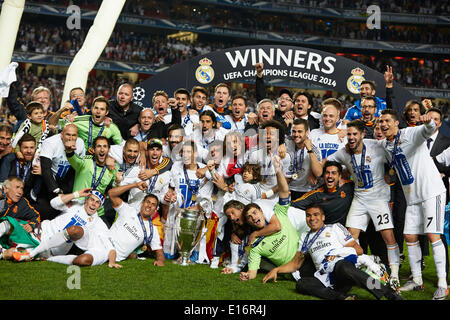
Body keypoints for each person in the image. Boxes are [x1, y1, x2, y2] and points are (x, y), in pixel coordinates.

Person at [262, 204, 402, 301]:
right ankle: (342, 298)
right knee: (302, 284)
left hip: (342, 269)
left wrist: (337, 253)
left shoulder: (334, 228)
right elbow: (295, 264)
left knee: (343, 267)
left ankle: (388, 294)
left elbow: (358, 249)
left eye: (316, 215)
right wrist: (277, 269)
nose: (312, 218)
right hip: (326, 277)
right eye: (309, 215)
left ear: (323, 217)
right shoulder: (305, 237)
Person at [379, 109, 448, 300]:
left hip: (431, 191)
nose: (383, 125)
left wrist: (428, 122)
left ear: (395, 123)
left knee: (434, 236)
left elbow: (428, 129)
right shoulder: (385, 144)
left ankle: (443, 284)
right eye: (381, 122)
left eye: (386, 121)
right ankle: (417, 280)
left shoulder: (410, 133)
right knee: (409, 236)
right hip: (413, 197)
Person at [327, 119, 401, 290]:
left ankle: (395, 274)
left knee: (388, 237)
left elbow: (395, 155)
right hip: (359, 200)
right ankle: (356, 271)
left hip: (378, 200)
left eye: (354, 134)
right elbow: (327, 162)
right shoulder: (343, 152)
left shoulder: (377, 146)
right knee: (351, 239)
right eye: (349, 134)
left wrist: (390, 175)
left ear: (362, 134)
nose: (351, 138)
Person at [12, 189, 120, 268]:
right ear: (86, 200)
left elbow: (109, 245)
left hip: (52, 249)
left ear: (99, 206)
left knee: (12, 253)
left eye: (97, 202)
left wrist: (112, 261)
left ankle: (34, 254)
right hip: (40, 231)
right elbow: (53, 203)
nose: (93, 204)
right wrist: (76, 194)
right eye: (92, 200)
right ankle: (28, 253)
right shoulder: (74, 205)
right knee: (9, 227)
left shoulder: (98, 223)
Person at [239, 155, 301, 282]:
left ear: (262, 212)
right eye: (249, 217)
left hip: (305, 256)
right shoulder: (255, 246)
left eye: (255, 213)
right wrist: (248, 276)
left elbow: (284, 190)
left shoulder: (278, 213)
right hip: (293, 269)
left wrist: (278, 170)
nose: (254, 217)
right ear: (249, 223)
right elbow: (252, 272)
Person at [108, 181, 165, 265]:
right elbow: (111, 193)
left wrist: (160, 260)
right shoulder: (128, 210)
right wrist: (134, 185)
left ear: (155, 210)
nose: (149, 205)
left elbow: (159, 251)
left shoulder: (152, 230)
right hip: (105, 244)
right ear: (142, 203)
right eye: (148, 202)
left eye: (153, 204)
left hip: (117, 257)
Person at [66, 135, 117, 220]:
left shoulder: (112, 169)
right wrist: (69, 151)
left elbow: (115, 189)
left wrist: (118, 181)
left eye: (105, 146)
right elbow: (74, 159)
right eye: (99, 146)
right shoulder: (85, 162)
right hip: (77, 207)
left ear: (109, 150)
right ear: (93, 149)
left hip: (96, 213)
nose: (102, 149)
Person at [291, 160, 354, 226]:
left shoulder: (349, 186)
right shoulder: (317, 194)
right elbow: (294, 204)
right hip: (326, 231)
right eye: (327, 173)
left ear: (340, 176)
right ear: (323, 175)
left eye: (333, 173)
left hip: (345, 231)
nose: (330, 176)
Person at [285, 119, 322, 200]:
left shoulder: (313, 147)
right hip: (288, 188)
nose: (296, 134)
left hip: (306, 190)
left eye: (299, 131)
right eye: (294, 131)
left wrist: (309, 150)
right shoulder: (287, 141)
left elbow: (318, 173)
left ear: (307, 132)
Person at [0, 133, 42, 202]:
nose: (29, 151)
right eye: (25, 147)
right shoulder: (9, 160)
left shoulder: (37, 164)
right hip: (6, 199)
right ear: (19, 148)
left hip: (26, 201)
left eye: (32, 148)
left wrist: (43, 174)